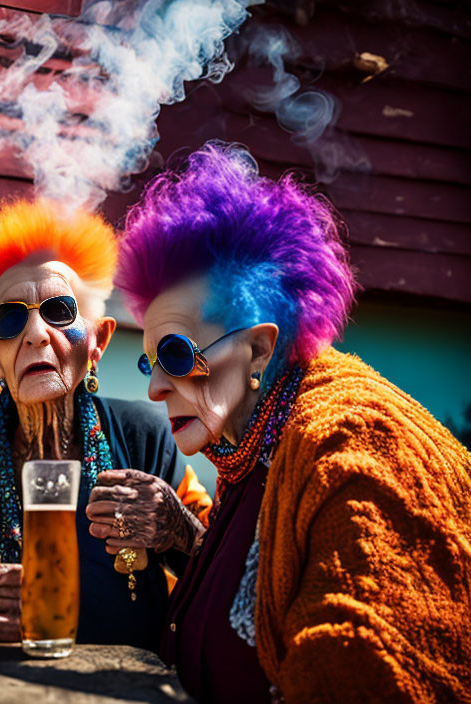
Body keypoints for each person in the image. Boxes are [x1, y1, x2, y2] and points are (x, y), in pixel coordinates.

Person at [91, 142, 471, 702]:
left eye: (176, 355)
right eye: (151, 361)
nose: (154, 387)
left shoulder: (352, 445)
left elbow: (360, 667)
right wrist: (184, 539)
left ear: (259, 351)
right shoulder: (258, 441)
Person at [0, 199, 208, 649]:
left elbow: (214, 566)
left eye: (59, 311)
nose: (36, 333)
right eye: (10, 320)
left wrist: (176, 527)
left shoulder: (145, 434)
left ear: (97, 342)